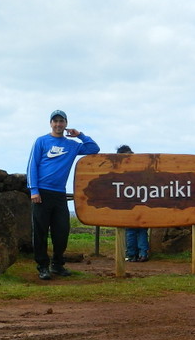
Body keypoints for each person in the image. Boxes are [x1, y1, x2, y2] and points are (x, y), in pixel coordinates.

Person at [27, 110, 100, 280]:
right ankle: (42, 267)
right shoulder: (41, 141)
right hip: (42, 193)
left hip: (59, 194)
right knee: (40, 232)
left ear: (66, 124)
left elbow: (94, 148)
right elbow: (32, 165)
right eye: (55, 121)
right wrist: (34, 190)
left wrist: (79, 135)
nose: (58, 124)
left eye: (61, 121)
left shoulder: (72, 145)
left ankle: (57, 264)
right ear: (50, 123)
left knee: (62, 231)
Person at [116, 144, 149, 262]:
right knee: (141, 229)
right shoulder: (141, 167)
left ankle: (131, 255)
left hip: (129, 202)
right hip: (142, 201)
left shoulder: (120, 170)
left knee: (130, 230)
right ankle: (143, 254)